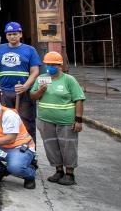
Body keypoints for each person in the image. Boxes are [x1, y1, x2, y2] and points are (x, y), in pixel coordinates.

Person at [30, 51, 85, 186]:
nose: (51, 67)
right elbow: (33, 96)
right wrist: (41, 91)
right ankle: (58, 170)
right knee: (51, 145)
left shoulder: (68, 80)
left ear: (60, 65)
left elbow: (79, 99)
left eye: (54, 64)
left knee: (68, 146)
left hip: (66, 121)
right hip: (46, 120)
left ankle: (70, 173)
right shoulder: (41, 79)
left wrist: (78, 120)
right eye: (48, 64)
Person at [0, 22, 41, 140]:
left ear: (20, 34)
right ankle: (9, 150)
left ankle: (29, 153)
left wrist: (25, 86)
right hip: (5, 93)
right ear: (6, 36)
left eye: (15, 34)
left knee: (26, 123)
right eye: (9, 34)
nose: (12, 36)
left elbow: (35, 71)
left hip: (24, 93)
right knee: (6, 123)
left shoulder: (30, 50)